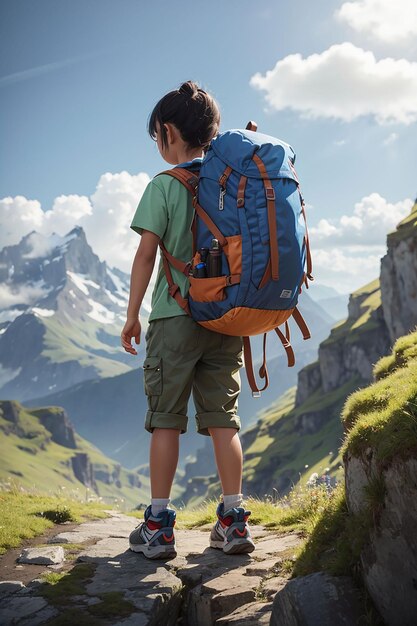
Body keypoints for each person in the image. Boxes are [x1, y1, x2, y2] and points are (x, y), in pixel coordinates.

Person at [120, 80, 255, 559]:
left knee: (165, 421)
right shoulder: (232, 182)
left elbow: (144, 256)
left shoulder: (163, 186)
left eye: (156, 135)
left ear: (168, 133)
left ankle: (158, 526)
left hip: (175, 318)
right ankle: (234, 521)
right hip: (225, 319)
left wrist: (133, 314)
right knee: (224, 420)